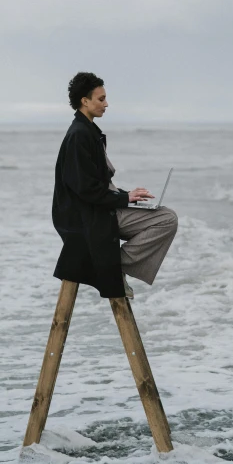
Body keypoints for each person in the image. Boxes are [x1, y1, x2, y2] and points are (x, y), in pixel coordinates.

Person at [52, 72, 178, 299]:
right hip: (88, 217)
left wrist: (126, 195)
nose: (106, 104)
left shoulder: (88, 131)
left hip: (98, 209)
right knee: (166, 219)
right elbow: (86, 190)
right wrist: (124, 198)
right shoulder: (79, 135)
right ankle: (113, 265)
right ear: (85, 101)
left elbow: (93, 185)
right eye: (101, 99)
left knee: (165, 215)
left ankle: (115, 264)